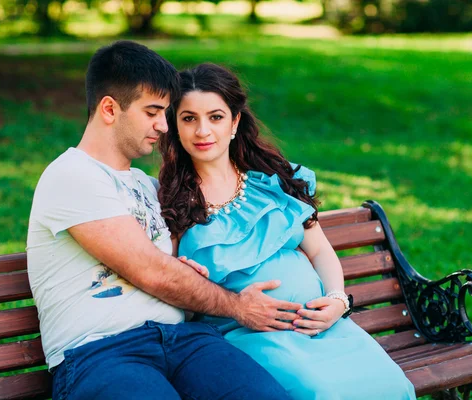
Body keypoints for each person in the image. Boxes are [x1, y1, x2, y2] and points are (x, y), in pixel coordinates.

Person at [26, 41, 300, 400]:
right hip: (102, 353)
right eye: (153, 112)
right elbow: (151, 271)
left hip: (184, 342)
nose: (164, 126)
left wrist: (185, 268)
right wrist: (237, 307)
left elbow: (167, 262)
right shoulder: (71, 175)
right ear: (110, 109)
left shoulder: (147, 185)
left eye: (166, 113)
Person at [158, 63, 417, 399]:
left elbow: (320, 250)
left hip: (323, 327)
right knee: (320, 393)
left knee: (393, 385)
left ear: (235, 122)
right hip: (248, 336)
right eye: (189, 118)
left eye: (216, 117)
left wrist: (338, 301)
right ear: (175, 127)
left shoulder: (272, 182)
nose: (202, 130)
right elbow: (180, 298)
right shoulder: (173, 204)